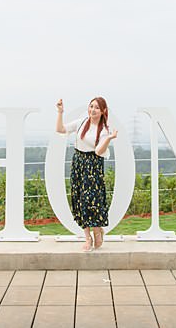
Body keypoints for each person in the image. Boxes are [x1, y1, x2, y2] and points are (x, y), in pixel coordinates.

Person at [56, 97, 118, 252]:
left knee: (92, 199)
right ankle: (87, 237)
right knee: (79, 198)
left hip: (93, 165)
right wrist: (60, 112)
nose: (93, 110)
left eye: (97, 107)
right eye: (91, 106)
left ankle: (97, 230)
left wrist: (109, 138)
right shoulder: (82, 122)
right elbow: (60, 129)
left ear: (103, 111)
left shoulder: (104, 130)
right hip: (79, 162)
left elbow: (98, 151)